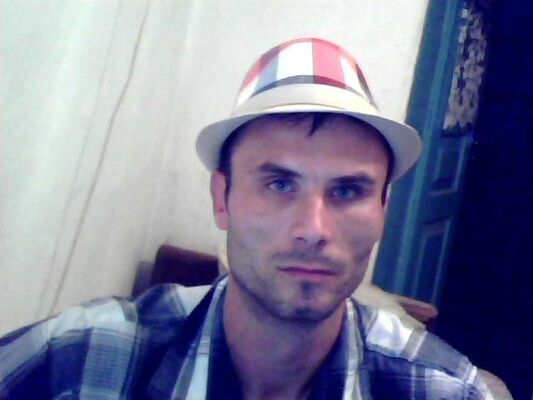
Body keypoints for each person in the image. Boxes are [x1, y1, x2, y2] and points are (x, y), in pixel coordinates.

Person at [0, 38, 492, 399]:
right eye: (279, 184)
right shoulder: (83, 357)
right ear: (222, 199)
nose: (314, 230)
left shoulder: (442, 390)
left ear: (384, 210)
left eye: (347, 191)